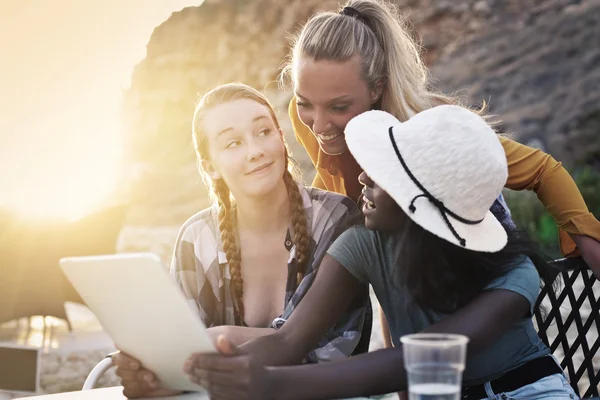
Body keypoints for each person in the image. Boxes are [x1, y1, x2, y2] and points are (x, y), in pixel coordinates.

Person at [183, 105, 579, 400]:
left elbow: (415, 360)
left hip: (532, 392)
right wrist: (202, 370)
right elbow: (289, 341)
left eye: (384, 174)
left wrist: (269, 383)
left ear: (425, 202)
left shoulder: (516, 274)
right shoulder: (362, 244)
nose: (363, 178)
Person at [285, 0, 600, 297]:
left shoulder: (421, 127)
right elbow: (334, 181)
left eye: (339, 106)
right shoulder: (310, 123)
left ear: (376, 87)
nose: (319, 125)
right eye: (305, 103)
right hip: (395, 276)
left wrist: (585, 237)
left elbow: (543, 169)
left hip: (473, 277)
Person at [112, 83, 369, 399]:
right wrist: (152, 375)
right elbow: (184, 356)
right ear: (210, 167)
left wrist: (223, 336)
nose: (255, 150)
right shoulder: (198, 239)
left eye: (263, 132)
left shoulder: (336, 217)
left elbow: (334, 351)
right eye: (233, 143)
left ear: (281, 138)